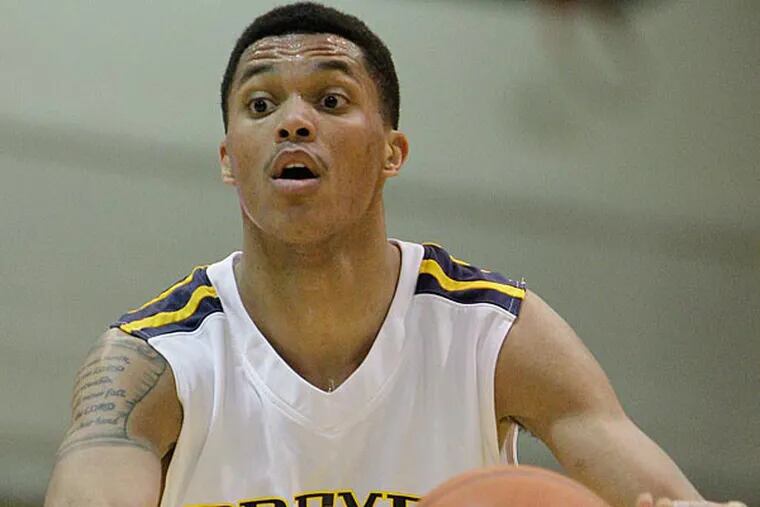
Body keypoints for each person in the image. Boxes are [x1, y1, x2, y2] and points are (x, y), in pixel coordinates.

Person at [44, 3, 744, 507]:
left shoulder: (494, 332)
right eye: (260, 105)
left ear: (391, 152)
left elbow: (666, 496)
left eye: (330, 99)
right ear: (229, 160)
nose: (293, 122)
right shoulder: (151, 360)